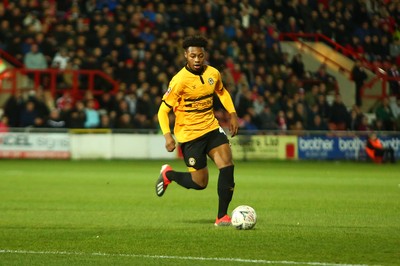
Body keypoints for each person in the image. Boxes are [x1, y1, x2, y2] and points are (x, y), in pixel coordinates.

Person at [155, 35, 239, 226]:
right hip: (189, 136)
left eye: (200, 55)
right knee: (200, 183)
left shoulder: (213, 73)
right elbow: (163, 110)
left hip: (210, 128)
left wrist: (232, 113)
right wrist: (168, 136)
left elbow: (221, 91)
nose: (197, 60)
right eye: (192, 56)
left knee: (227, 165)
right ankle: (169, 175)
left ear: (204, 55)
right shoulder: (179, 81)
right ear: (186, 55)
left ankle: (222, 217)